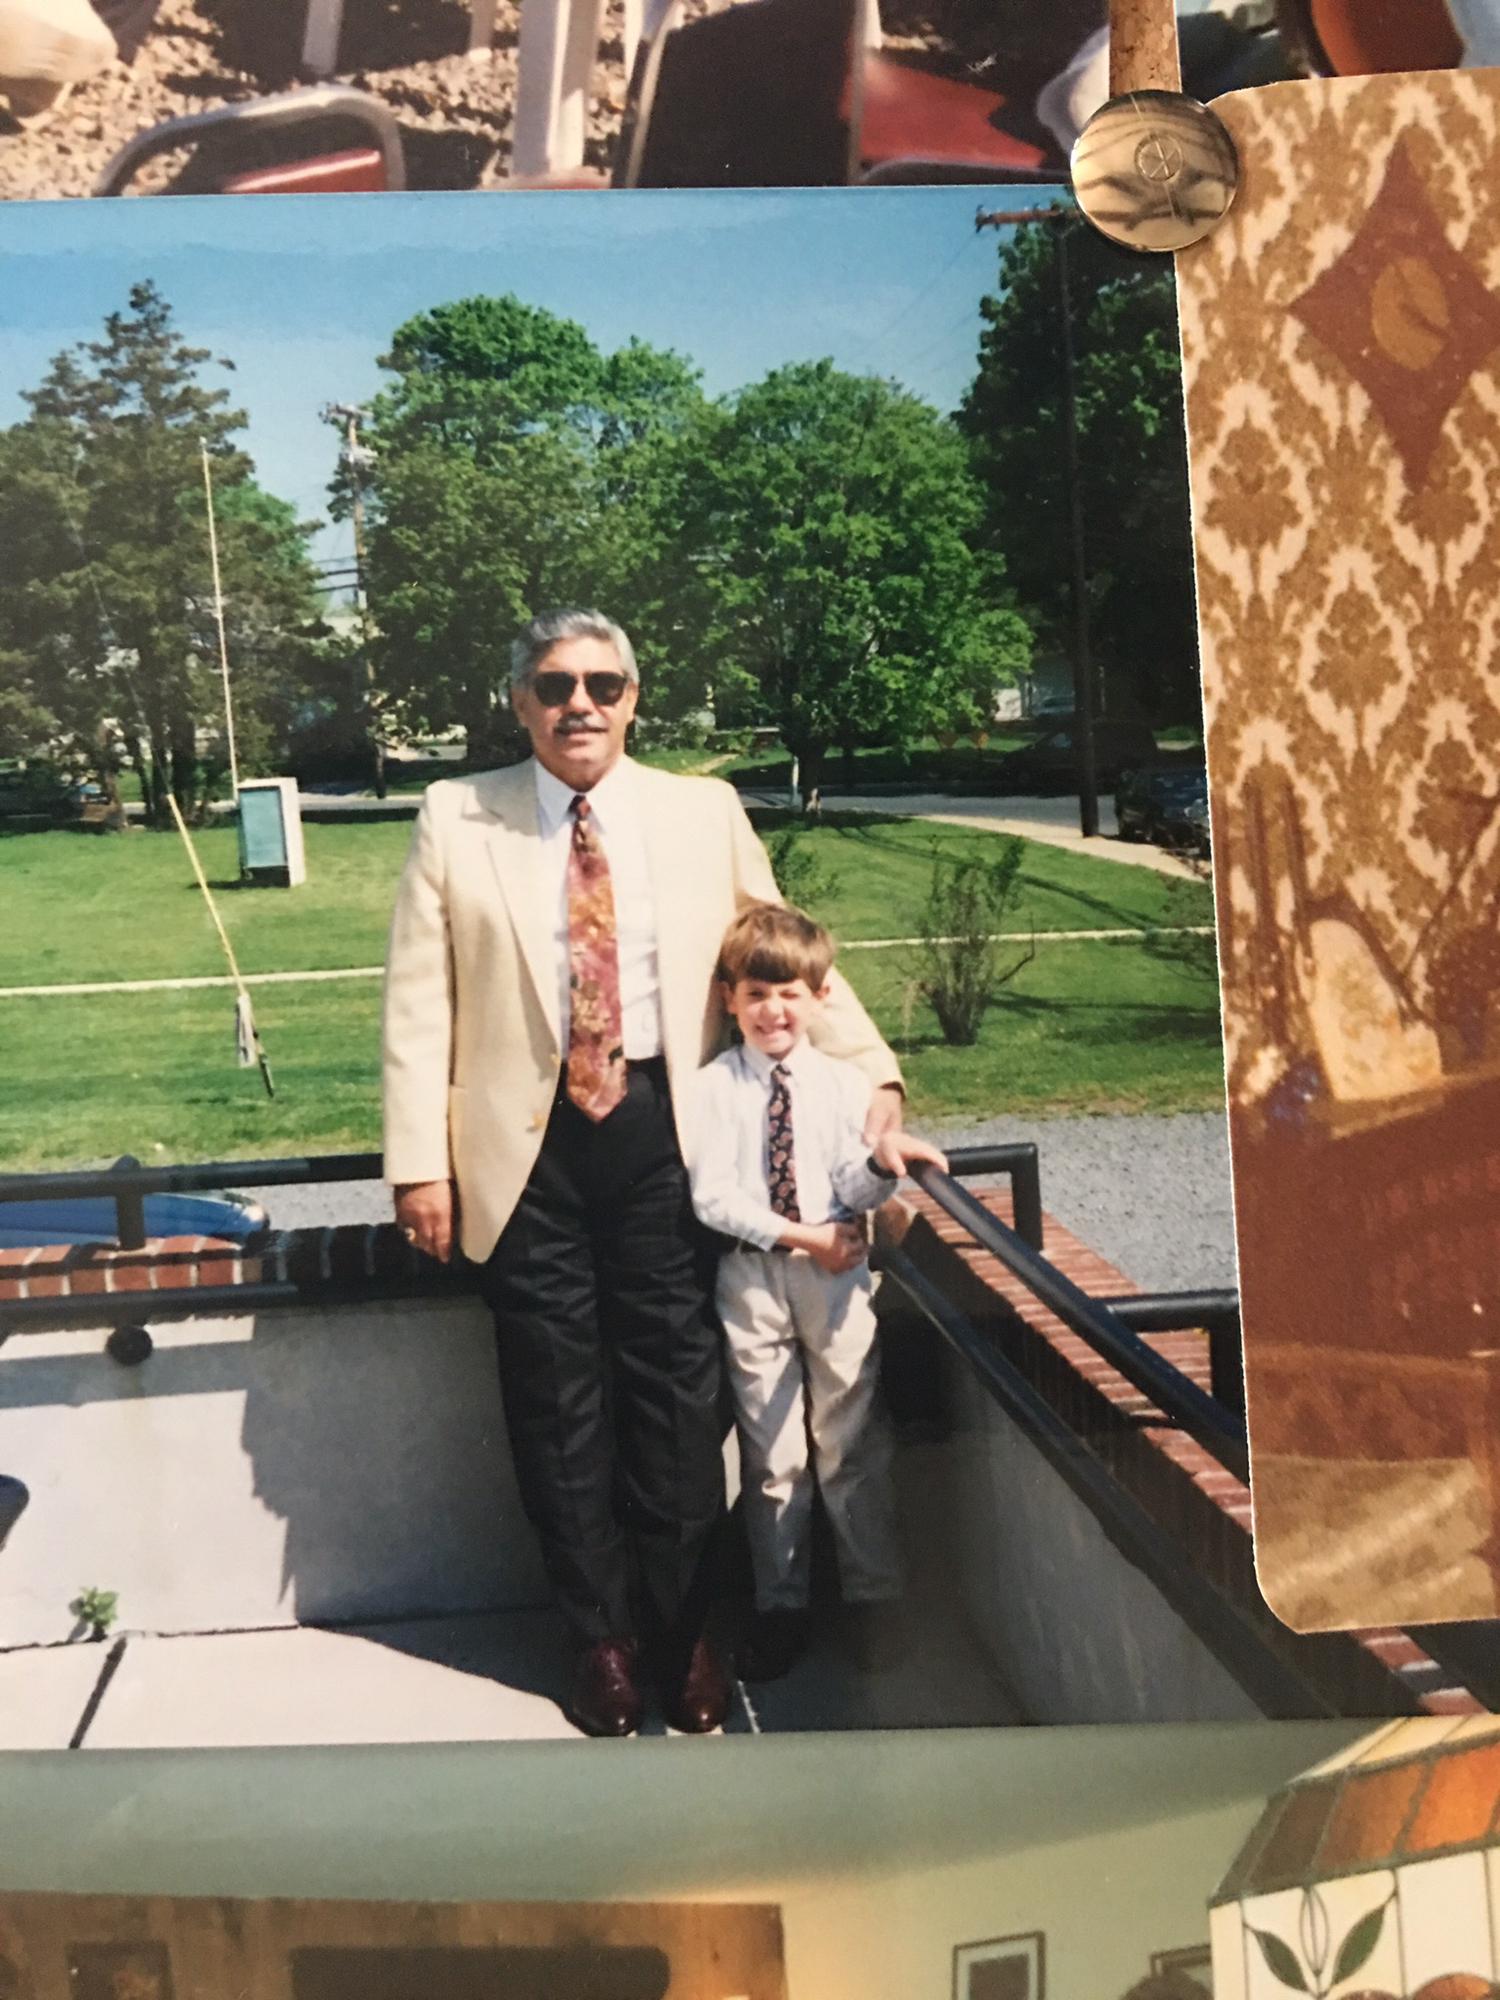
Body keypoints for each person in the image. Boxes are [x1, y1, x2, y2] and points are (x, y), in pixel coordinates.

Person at [382, 608, 903, 1737]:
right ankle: (604, 1642)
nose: (582, 703)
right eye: (556, 683)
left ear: (634, 696)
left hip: (669, 1134)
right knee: (555, 1402)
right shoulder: (455, 814)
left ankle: (686, 1634)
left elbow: (788, 953)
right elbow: (421, 1000)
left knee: (679, 1395)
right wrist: (419, 1163)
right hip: (520, 1158)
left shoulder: (700, 811)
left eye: (604, 684)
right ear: (518, 699)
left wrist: (877, 1080)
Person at [687, 902, 947, 1683]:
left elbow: (845, 1182)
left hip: (834, 1284)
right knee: (774, 1455)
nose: (773, 1010)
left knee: (851, 1441)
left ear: (819, 997)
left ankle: (875, 1599)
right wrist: (808, 1239)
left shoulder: (840, 1085)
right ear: (729, 999)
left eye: (790, 994)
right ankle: (781, 1606)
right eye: (756, 995)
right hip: (755, 1276)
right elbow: (714, 1199)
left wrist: (883, 1163)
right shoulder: (712, 1089)